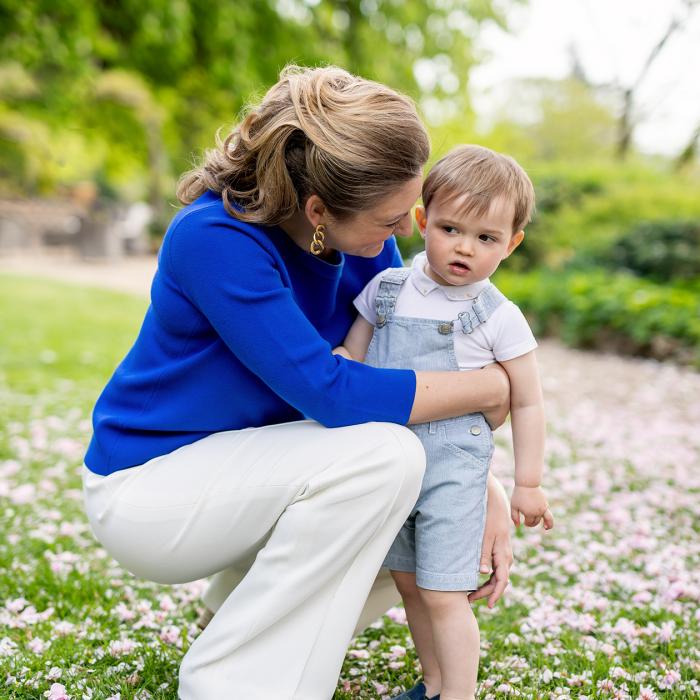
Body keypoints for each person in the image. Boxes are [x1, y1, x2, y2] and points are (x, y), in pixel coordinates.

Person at [81, 66, 514, 700]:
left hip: (253, 474)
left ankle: (234, 615)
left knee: (428, 510)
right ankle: (234, 684)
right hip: (151, 490)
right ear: (317, 211)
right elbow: (333, 393)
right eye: (392, 218)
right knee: (386, 460)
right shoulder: (212, 239)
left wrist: (484, 481)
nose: (403, 234)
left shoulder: (363, 238)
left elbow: (391, 376)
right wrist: (492, 388)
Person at [334, 145, 555, 700]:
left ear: (512, 244)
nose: (464, 247)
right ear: (421, 220)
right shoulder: (385, 290)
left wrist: (527, 483)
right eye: (451, 228)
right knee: (409, 584)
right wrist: (343, 359)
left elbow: (527, 401)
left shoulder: (498, 317)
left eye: (487, 238)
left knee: (443, 594)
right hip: (389, 463)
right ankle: (433, 684)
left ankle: (458, 693)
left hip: (453, 475)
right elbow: (351, 360)